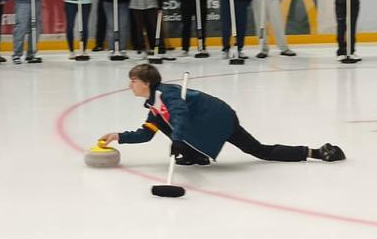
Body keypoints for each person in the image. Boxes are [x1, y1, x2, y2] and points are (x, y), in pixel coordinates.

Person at [100, 64, 345, 165]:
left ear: (146, 82)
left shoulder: (166, 94)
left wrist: (177, 140)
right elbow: (146, 134)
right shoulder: (154, 106)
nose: (130, 85)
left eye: (133, 81)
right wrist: (118, 136)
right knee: (258, 150)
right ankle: (196, 155)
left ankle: (317, 152)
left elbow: (181, 113)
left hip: (219, 119)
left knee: (257, 150)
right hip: (209, 122)